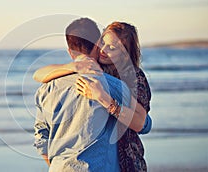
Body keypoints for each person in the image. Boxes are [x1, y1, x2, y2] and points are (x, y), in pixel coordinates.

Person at [33, 21, 151, 171]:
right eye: (102, 42)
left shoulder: (132, 79)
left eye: (112, 48)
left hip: (127, 162)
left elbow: (142, 124)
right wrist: (72, 67)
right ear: (96, 44)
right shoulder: (109, 81)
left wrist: (103, 99)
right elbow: (37, 74)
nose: (103, 50)